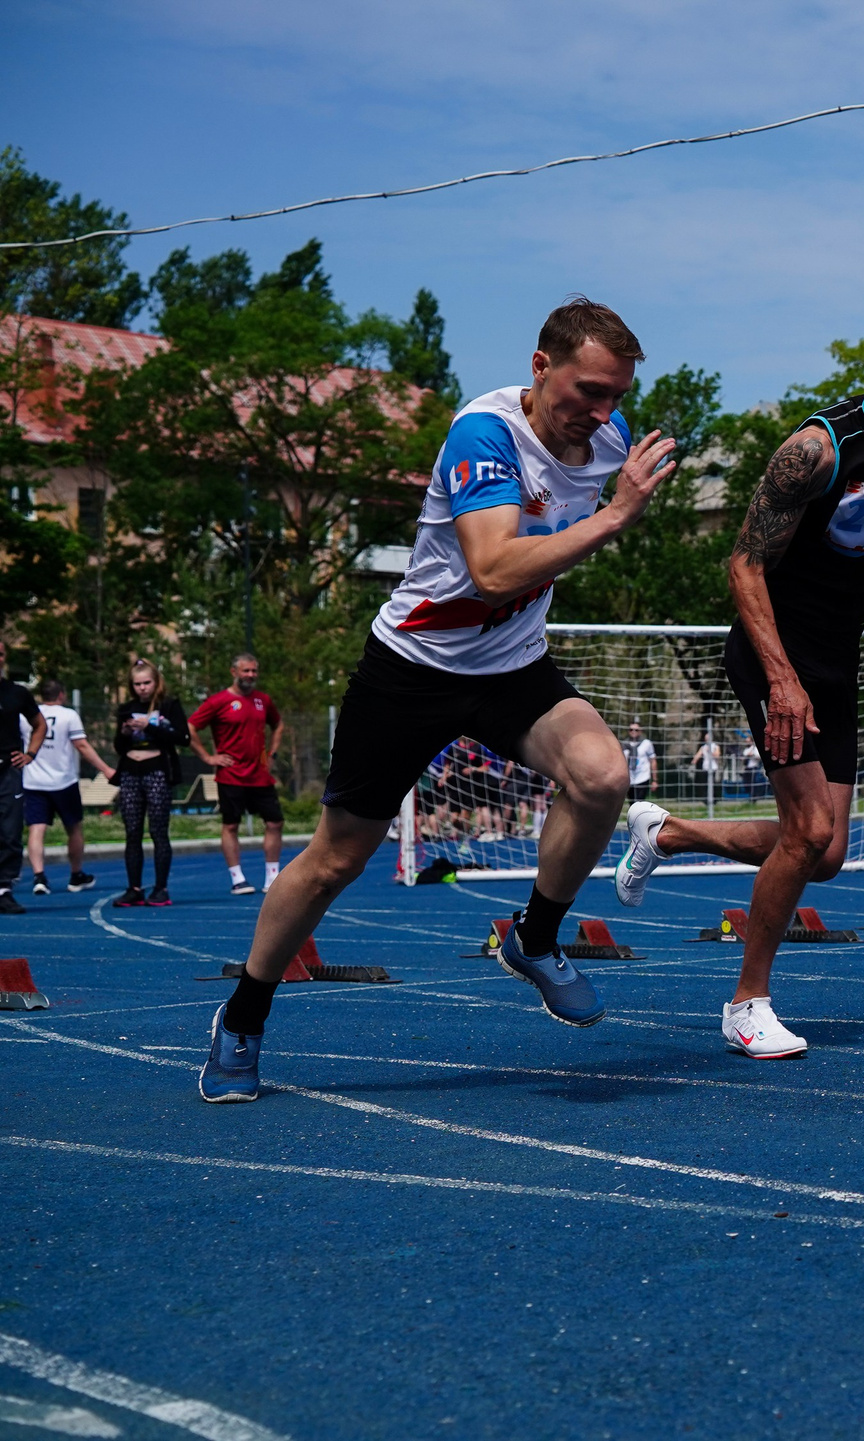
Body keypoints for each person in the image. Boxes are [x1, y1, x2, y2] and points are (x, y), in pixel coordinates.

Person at [199, 298, 681, 1102]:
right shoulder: (484, 434)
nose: (603, 414)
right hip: (414, 670)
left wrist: (609, 500)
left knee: (602, 776)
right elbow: (491, 571)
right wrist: (615, 516)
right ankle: (243, 1016)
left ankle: (534, 937)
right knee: (335, 861)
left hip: (512, 666)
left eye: (617, 396)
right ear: (540, 367)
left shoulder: (609, 439)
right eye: (589, 391)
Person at [618, 330, 864, 1059]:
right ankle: (746, 1004)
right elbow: (744, 564)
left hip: (838, 661)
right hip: (771, 654)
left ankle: (667, 834)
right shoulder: (818, 451)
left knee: (827, 851)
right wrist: (782, 680)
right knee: (809, 830)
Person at [190, 652, 287, 896]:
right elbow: (190, 727)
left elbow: (278, 724)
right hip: (230, 776)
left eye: (254, 671)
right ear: (234, 672)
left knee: (275, 822)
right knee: (231, 825)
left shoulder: (263, 700)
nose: (251, 675)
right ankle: (238, 878)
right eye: (246, 670)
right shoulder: (218, 701)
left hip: (260, 775)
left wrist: (272, 755)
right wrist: (208, 758)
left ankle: (272, 877)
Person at [23, 678, 110, 896]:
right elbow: (81, 745)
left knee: (36, 828)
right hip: (63, 781)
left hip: (33, 780)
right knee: (74, 828)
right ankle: (76, 874)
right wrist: (106, 769)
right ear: (61, 694)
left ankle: (39, 876)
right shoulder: (68, 715)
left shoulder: (26, 716)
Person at [110, 661, 187, 906]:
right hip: (131, 771)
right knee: (132, 831)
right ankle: (134, 887)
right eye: (137, 684)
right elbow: (119, 746)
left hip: (158, 771)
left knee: (158, 830)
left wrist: (150, 727)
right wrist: (124, 733)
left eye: (146, 683)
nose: (142, 688)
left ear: (156, 682)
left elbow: (182, 737)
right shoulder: (127, 709)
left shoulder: (169, 705)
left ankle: (161, 887)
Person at [0, 642, 43, 914]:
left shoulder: (16, 693)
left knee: (9, 830)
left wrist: (30, 754)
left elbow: (39, 725)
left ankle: (3, 889)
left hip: (8, 771)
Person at [622, 722, 655, 803]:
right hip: (629, 778)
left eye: (636, 730)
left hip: (642, 777)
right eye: (631, 730)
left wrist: (655, 780)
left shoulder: (646, 743)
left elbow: (653, 760)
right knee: (632, 803)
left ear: (640, 731)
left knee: (640, 802)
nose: (633, 731)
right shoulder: (624, 744)